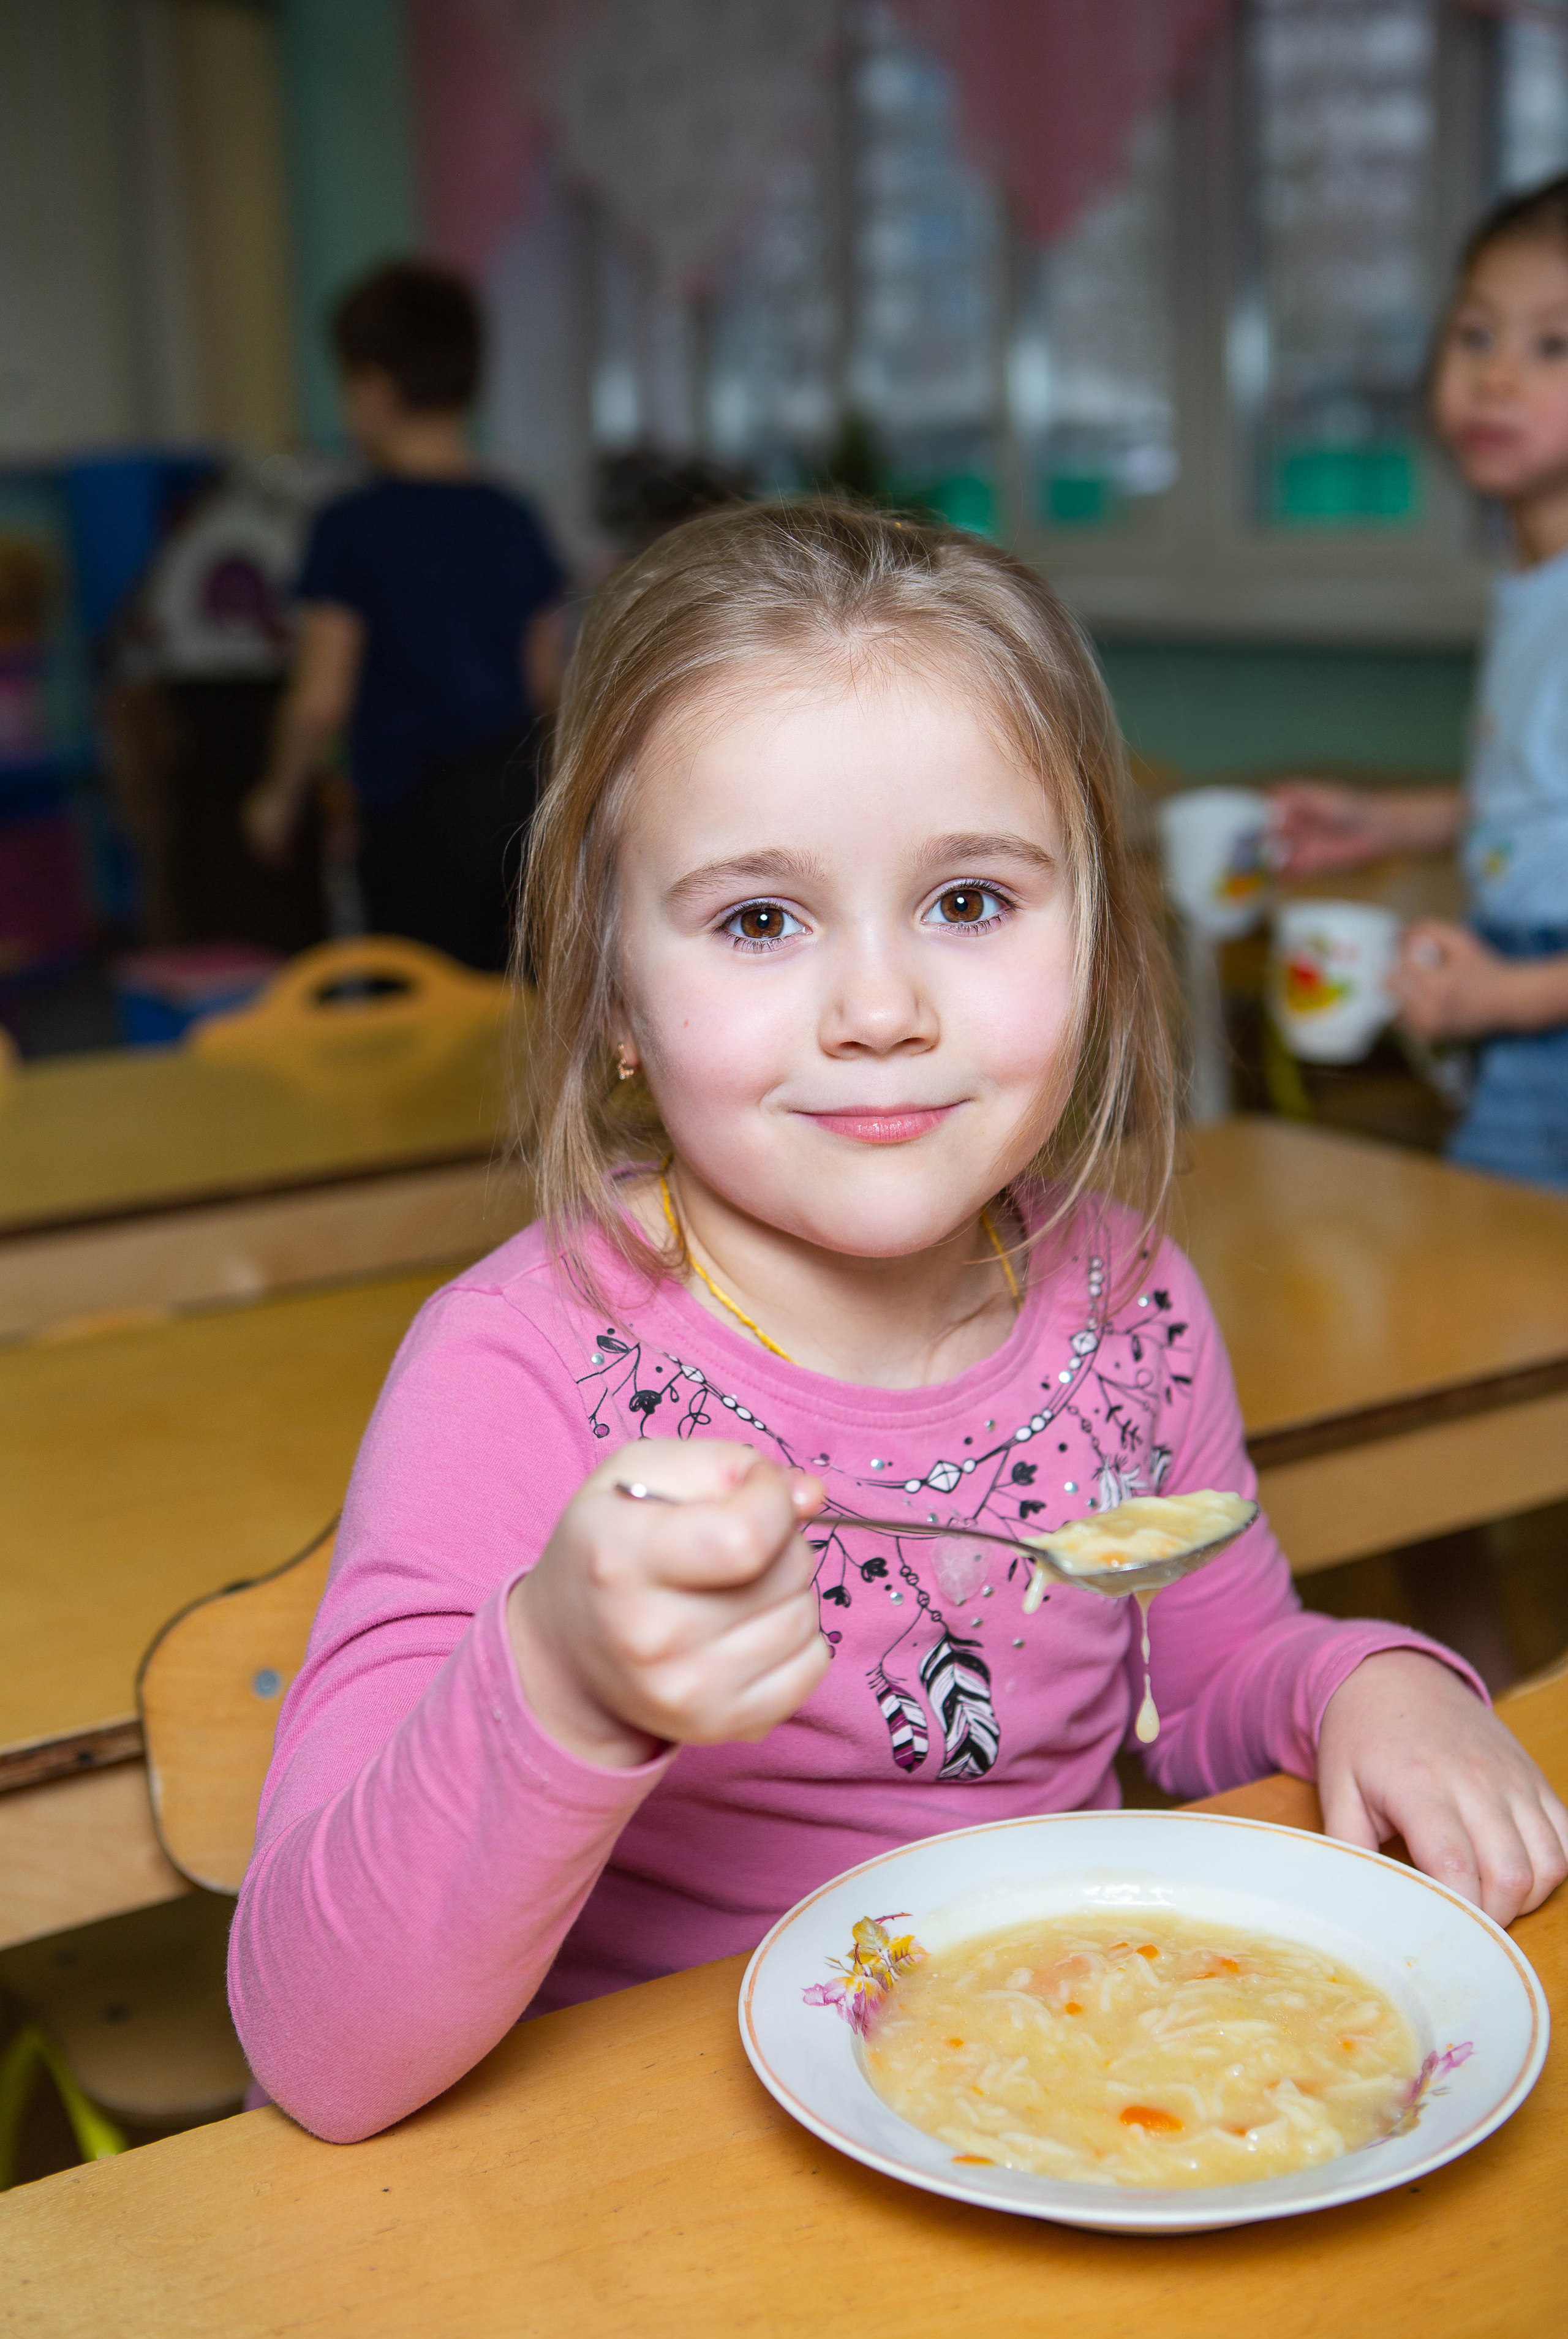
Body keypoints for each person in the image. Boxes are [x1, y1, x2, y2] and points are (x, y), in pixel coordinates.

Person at [230, 504, 1566, 2144]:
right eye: (758, 921)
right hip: (643, 2181)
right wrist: (566, 1682)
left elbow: (1214, 1675)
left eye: (973, 902)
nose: (880, 1013)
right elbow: (315, 2050)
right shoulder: (519, 1370)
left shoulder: (1127, 1306)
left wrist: (1369, 1683)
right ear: (612, 1003)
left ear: (1102, 938)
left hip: (1051, 2122)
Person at [1273, 175, 1568, 1188]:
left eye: (1552, 347)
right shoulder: (1533, 583)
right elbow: (1538, 802)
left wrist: (1516, 998)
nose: (1494, 378)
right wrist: (1386, 822)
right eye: (1475, 336)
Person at [244, 260, 567, 971]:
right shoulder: (513, 516)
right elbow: (547, 687)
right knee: (515, 1009)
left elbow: (321, 699)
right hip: (519, 806)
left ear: (373, 390)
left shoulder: (350, 526)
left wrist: (278, 796)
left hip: (412, 819)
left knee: (420, 1013)